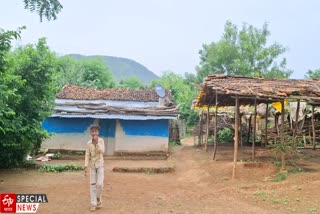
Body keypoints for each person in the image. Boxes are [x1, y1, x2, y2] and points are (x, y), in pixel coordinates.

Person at [84, 124, 105, 212]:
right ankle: (93, 204)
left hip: (100, 165)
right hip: (92, 166)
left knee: (99, 184)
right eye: (92, 131)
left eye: (95, 131)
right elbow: (87, 155)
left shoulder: (101, 141)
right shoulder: (88, 143)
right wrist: (85, 166)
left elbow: (102, 151)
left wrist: (97, 144)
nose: (94, 133)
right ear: (90, 132)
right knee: (92, 185)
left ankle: (98, 198)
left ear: (98, 132)